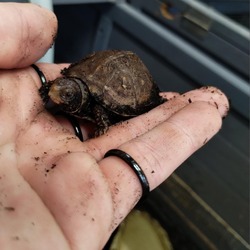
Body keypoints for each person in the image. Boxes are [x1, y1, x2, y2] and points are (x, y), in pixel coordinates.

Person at [0, 3, 229, 250]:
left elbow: (100, 110)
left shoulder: (95, 105)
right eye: (59, 92)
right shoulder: (65, 84)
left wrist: (102, 126)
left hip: (128, 83)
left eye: (65, 96)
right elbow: (58, 87)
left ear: (77, 99)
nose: (57, 94)